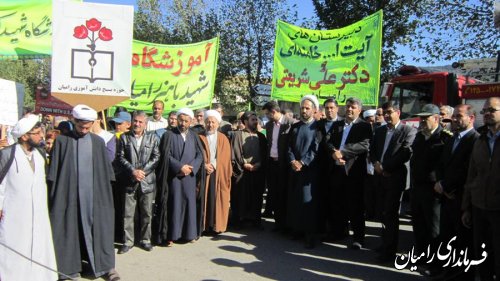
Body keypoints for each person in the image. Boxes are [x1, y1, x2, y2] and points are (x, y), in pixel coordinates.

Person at [47, 104, 119, 280]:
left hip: (94, 197)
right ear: (74, 121)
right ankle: (69, 270)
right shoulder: (62, 141)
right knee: (69, 229)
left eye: (88, 127)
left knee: (100, 229)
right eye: (81, 127)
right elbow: (54, 173)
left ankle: (105, 268)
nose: (84, 130)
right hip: (69, 196)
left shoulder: (98, 142)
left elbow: (106, 174)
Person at [0, 116, 57, 281]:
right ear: (24, 136)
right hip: (14, 215)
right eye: (37, 133)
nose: (41, 136)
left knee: (38, 247)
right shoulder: (7, 154)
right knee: (14, 248)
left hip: (38, 214)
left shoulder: (39, 154)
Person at [434, 104, 479, 280]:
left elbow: (468, 170)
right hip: (447, 197)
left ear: (471, 118)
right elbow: (442, 164)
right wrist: (440, 183)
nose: (454, 119)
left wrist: (446, 185)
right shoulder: (452, 138)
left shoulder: (475, 140)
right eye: (454, 116)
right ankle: (448, 271)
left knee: (462, 240)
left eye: (459, 116)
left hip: (461, 197)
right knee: (447, 237)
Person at [370, 101, 417, 262]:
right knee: (382, 214)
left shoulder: (408, 130)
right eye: (385, 113)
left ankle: (390, 251)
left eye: (390, 112)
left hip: (394, 179)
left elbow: (405, 153)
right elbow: (373, 150)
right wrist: (376, 163)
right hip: (379, 177)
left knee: (391, 215)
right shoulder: (380, 130)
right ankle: (384, 244)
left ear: (398, 112)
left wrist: (385, 167)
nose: (387, 116)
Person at [410, 104, 452, 276]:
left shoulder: (445, 137)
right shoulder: (420, 136)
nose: (421, 122)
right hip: (417, 187)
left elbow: (447, 164)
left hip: (433, 190)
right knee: (419, 225)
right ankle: (422, 258)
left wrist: (442, 182)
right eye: (420, 118)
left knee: (434, 228)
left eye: (425, 118)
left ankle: (436, 264)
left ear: (436, 118)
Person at [462, 97, 500, 280]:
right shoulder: (480, 140)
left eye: (492, 110)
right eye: (485, 111)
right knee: (482, 255)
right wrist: (466, 207)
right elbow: (472, 175)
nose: (487, 114)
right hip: (479, 207)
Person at [327, 97, 372, 249]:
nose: (349, 109)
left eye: (353, 107)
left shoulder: (364, 126)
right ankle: (339, 232)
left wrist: (343, 152)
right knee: (336, 203)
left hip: (353, 172)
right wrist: (334, 153)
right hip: (337, 169)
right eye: (347, 107)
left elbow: (364, 145)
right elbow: (328, 141)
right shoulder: (337, 125)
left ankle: (358, 238)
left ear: (359, 110)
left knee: (355, 205)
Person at [116, 111, 160, 254]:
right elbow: (120, 158)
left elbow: (156, 157)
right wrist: (133, 171)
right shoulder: (124, 138)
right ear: (131, 122)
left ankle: (145, 240)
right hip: (130, 180)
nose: (137, 124)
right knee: (128, 213)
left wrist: (142, 172)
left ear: (145, 124)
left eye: (141, 122)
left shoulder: (153, 138)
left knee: (147, 213)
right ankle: (128, 241)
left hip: (147, 182)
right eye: (135, 121)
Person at [164, 108, 204, 244]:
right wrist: (180, 167)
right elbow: (166, 155)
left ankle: (189, 234)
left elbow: (200, 155)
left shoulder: (194, 136)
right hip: (175, 176)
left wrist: (190, 168)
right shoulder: (169, 135)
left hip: (189, 176)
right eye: (181, 120)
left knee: (189, 204)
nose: (183, 123)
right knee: (174, 204)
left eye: (186, 121)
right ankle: (172, 235)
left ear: (191, 121)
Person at [287, 95, 321, 248]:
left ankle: (310, 235)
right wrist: (293, 160)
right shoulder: (295, 127)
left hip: (309, 172)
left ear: (314, 110)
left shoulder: (318, 127)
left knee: (308, 203)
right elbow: (288, 147)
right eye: (302, 108)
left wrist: (303, 162)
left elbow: (316, 149)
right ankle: (297, 230)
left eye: (307, 108)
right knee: (296, 201)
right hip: (295, 170)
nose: (304, 111)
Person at [262, 101, 295, 232]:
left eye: (267, 114)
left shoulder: (291, 123)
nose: (266, 117)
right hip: (272, 164)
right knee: (274, 194)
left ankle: (287, 224)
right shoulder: (269, 125)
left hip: (285, 165)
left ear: (274, 112)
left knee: (284, 194)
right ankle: (278, 223)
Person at [231, 111, 267, 228]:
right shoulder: (237, 135)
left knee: (256, 196)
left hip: (258, 170)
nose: (256, 122)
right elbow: (234, 153)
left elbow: (265, 153)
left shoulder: (261, 136)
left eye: (256, 120)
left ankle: (255, 220)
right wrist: (244, 163)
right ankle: (240, 220)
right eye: (253, 120)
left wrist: (259, 164)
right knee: (241, 196)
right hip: (242, 171)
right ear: (245, 122)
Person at [199, 110, 232, 234]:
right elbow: (196, 155)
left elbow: (225, 157)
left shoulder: (223, 138)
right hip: (203, 173)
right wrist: (204, 165)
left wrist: (213, 164)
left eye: (213, 122)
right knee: (205, 199)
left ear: (218, 124)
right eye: (208, 122)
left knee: (217, 199)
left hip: (218, 173)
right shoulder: (199, 136)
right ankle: (204, 226)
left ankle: (216, 226)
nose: (210, 125)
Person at [316, 98, 342, 237]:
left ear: (337, 109)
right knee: (322, 199)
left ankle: (337, 230)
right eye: (327, 108)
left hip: (338, 167)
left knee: (336, 200)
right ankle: (323, 227)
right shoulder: (319, 124)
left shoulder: (343, 124)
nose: (329, 110)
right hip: (321, 167)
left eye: (332, 107)